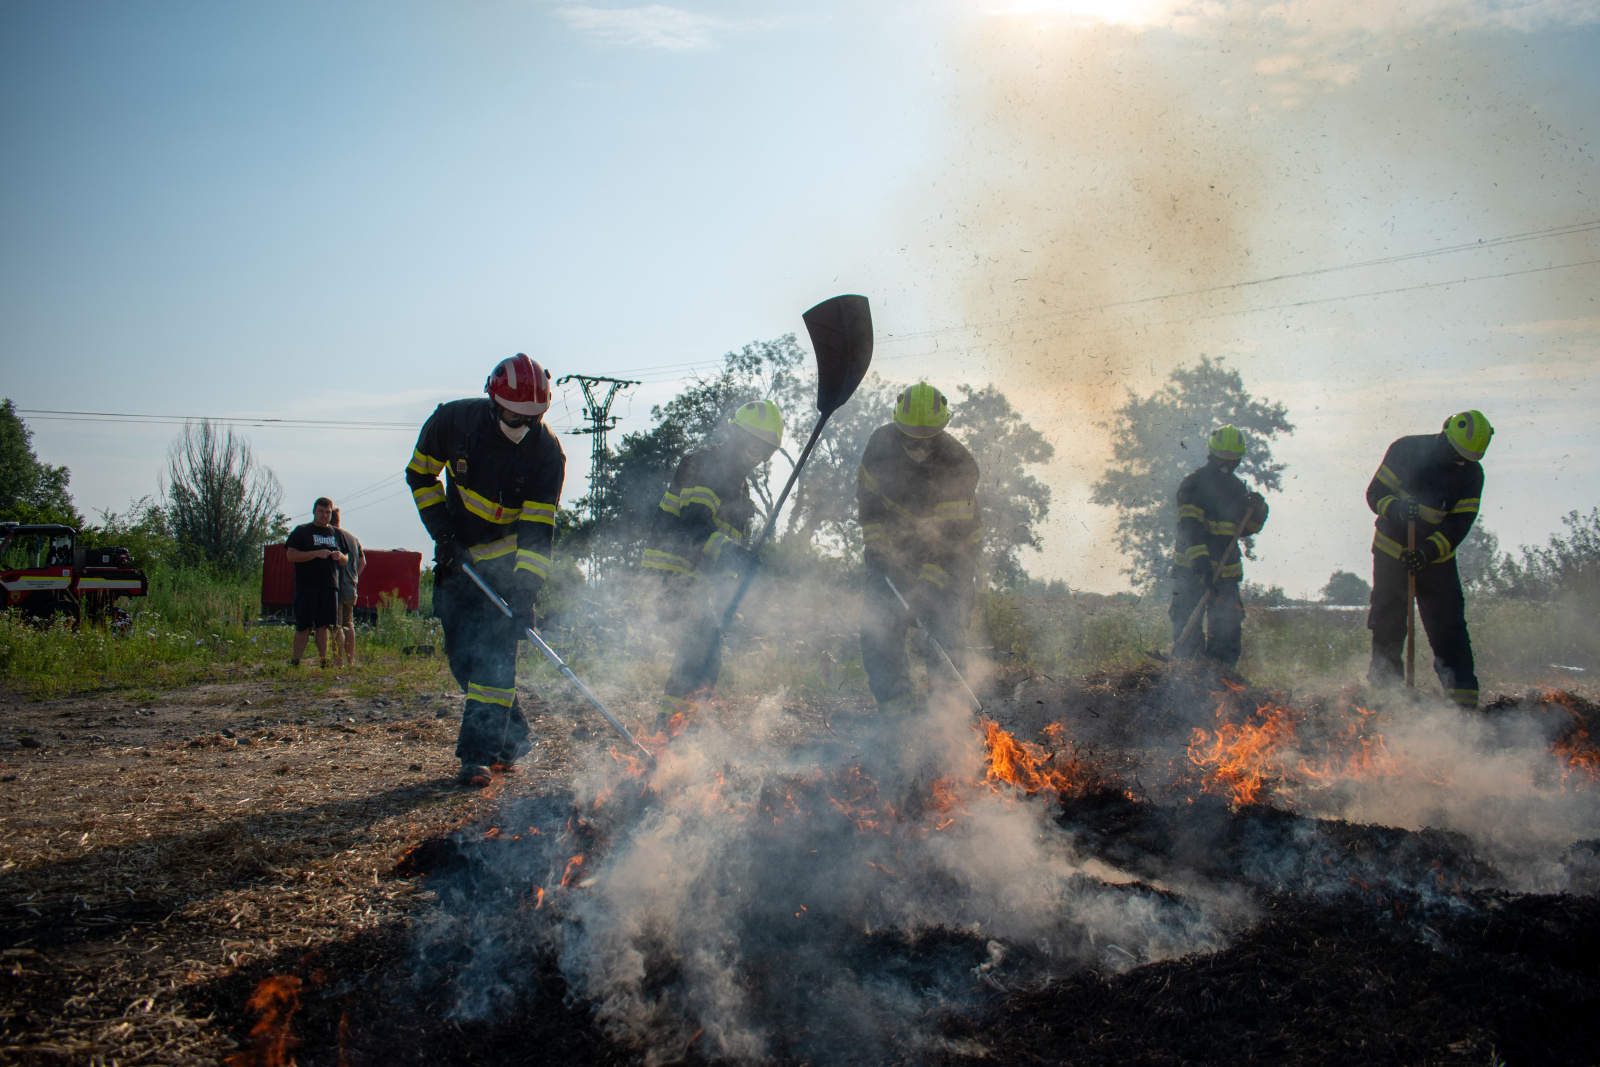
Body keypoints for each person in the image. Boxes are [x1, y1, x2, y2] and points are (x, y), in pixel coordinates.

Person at [404, 354, 566, 786]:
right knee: (464, 663)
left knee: (494, 664)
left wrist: (525, 595)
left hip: (507, 566)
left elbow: (537, 531)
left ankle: (476, 756)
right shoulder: (452, 423)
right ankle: (513, 741)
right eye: (515, 414)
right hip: (459, 557)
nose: (522, 424)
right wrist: (443, 535)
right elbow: (420, 476)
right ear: (493, 401)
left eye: (533, 417)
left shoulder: (546, 453)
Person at [640, 400, 783, 729]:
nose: (757, 449)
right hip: (670, 573)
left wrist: (744, 566)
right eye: (752, 439)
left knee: (705, 660)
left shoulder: (739, 486)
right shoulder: (706, 463)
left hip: (698, 581)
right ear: (736, 434)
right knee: (699, 649)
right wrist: (733, 553)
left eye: (765, 445)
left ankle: (675, 730)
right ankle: (667, 733)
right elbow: (694, 525)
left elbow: (721, 551)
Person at [856, 382, 981, 715]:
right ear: (898, 426)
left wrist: (924, 589)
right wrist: (875, 545)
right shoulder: (879, 447)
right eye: (911, 437)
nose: (919, 446)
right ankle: (897, 714)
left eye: (929, 439)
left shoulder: (959, 464)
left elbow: (950, 541)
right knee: (878, 628)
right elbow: (869, 504)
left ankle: (948, 721)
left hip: (954, 558)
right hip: (897, 552)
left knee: (944, 637)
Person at [1365, 410, 1492, 707]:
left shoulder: (1472, 474)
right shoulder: (1405, 451)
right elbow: (1375, 493)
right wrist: (1395, 509)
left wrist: (1427, 552)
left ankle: (1463, 703)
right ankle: (1387, 696)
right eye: (1457, 454)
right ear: (1445, 436)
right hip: (1392, 552)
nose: (1460, 462)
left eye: (1467, 458)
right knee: (1388, 622)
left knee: (1448, 628)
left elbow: (1458, 525)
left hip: (1436, 561)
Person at [1170, 426, 1269, 666]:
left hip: (1225, 576)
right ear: (1211, 456)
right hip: (1192, 573)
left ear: (1238, 460)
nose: (1226, 466)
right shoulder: (1193, 486)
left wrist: (1259, 512)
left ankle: (1220, 684)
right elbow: (1189, 529)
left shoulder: (1236, 488)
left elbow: (1243, 530)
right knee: (1187, 631)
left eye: (1232, 461)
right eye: (1222, 460)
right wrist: (1202, 565)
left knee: (1227, 634)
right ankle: (1186, 682)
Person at [284, 498, 350, 667]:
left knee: (324, 625)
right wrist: (315, 554)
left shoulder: (336, 534)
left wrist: (339, 556)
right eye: (321, 511)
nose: (324, 515)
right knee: (303, 625)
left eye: (327, 512)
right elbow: (291, 555)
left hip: (329, 586)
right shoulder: (302, 531)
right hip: (306, 586)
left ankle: (323, 660)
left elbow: (345, 559)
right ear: (314, 511)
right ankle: (296, 660)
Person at [330, 507, 366, 667]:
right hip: (351, 588)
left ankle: (338, 662)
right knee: (349, 624)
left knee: (336, 626)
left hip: (336, 589)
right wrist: (355, 578)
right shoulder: (353, 538)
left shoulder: (330, 536)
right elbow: (363, 562)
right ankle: (350, 660)